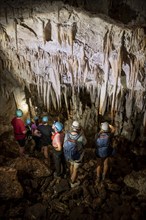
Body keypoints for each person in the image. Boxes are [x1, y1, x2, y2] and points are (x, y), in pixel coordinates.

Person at [63, 121, 87, 188]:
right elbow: (85, 143)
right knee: (76, 169)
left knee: (71, 165)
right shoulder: (81, 136)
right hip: (77, 155)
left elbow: (64, 145)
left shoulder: (67, 134)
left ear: (72, 127)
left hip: (69, 155)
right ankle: (72, 183)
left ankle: (71, 176)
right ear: (78, 128)